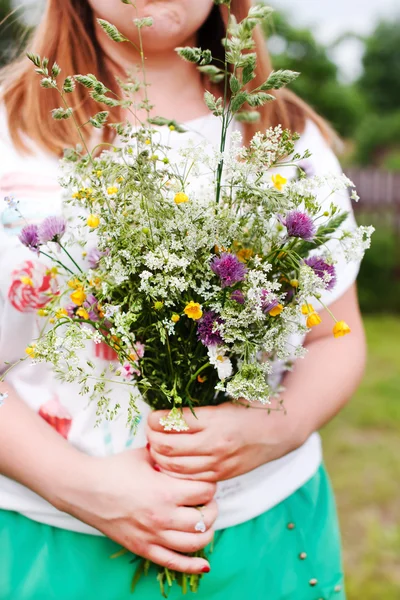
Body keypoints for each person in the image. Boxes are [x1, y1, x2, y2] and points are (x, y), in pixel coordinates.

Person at [0, 1, 366, 599]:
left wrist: (278, 428)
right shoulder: (9, 132)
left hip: (264, 535)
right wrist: (81, 486)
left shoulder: (279, 133)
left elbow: (335, 337)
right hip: (48, 537)